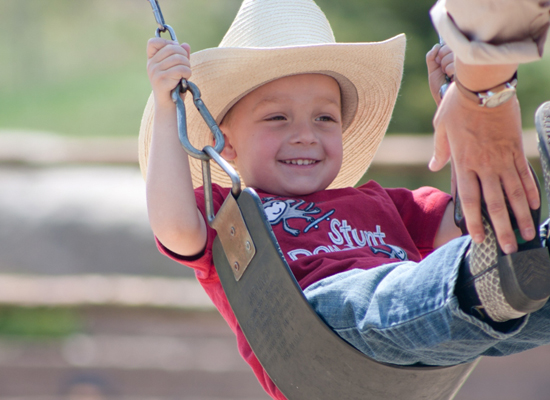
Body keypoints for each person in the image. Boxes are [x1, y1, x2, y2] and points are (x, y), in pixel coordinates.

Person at [139, 0, 550, 399]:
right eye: (277, 118)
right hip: (321, 333)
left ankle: (513, 263)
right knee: (375, 295)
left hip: (436, 329)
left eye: (325, 118)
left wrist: (459, 105)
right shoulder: (231, 218)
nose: (305, 134)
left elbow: (465, 221)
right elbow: (174, 226)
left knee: (521, 297)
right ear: (223, 141)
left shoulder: (379, 202)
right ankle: (477, 280)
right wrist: (164, 105)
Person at [429, 0, 550, 257]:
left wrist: (473, 93)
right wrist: (475, 96)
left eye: (326, 118)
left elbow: (457, 225)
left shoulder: (378, 203)